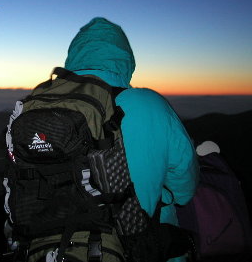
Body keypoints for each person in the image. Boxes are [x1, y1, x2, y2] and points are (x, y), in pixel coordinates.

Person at [64, 17, 199, 262]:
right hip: (140, 248)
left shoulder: (40, 108)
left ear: (74, 57)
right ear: (125, 60)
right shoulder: (149, 104)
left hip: (59, 249)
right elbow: (184, 190)